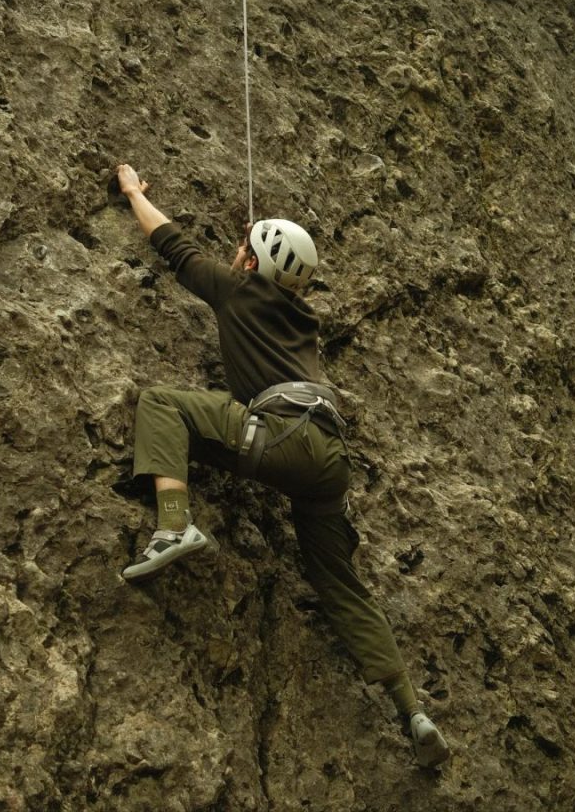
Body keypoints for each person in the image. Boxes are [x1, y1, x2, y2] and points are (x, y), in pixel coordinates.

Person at [116, 163, 450, 769]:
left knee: (163, 404)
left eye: (242, 248)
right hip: (328, 457)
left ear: (251, 264)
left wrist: (136, 193)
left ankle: (172, 523)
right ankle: (411, 711)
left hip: (278, 437)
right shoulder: (303, 319)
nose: (235, 252)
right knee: (338, 582)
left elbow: (173, 245)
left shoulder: (237, 288)